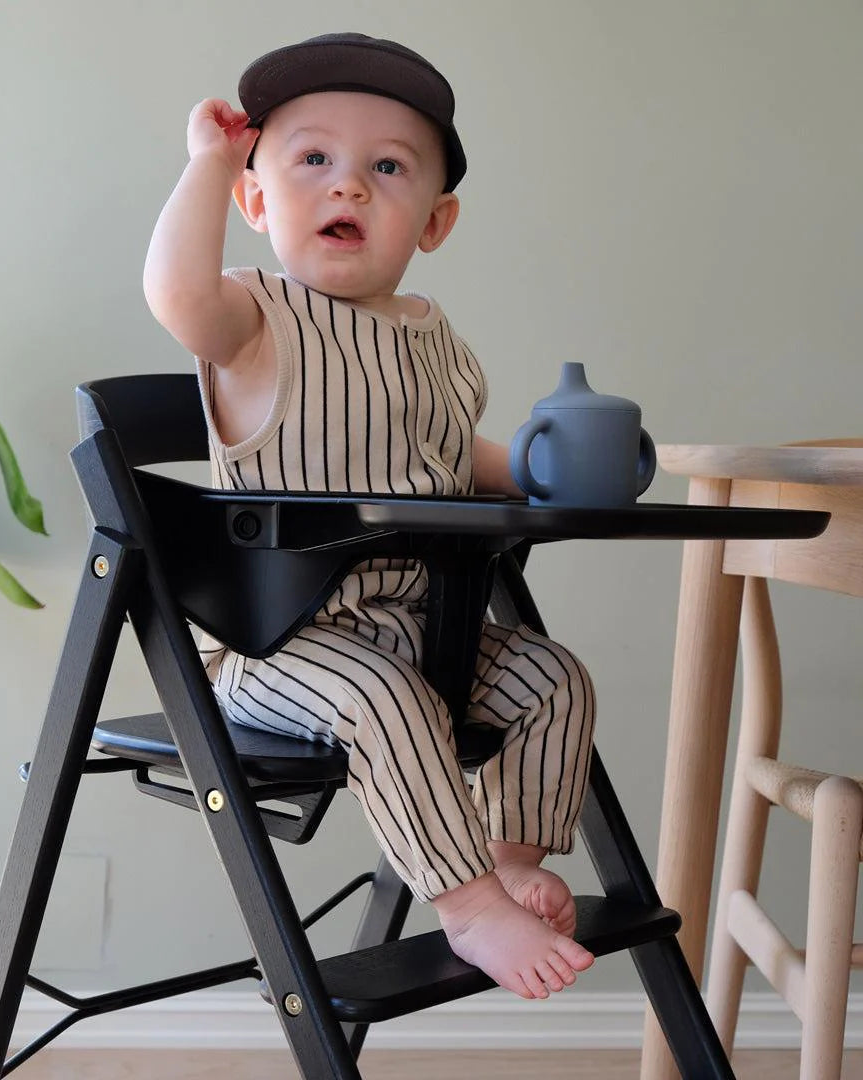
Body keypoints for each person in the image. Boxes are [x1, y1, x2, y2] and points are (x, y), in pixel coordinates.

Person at [143, 32, 596, 1000]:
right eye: (312, 158)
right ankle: (470, 906)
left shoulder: (435, 341)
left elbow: (456, 455)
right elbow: (176, 294)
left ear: (435, 221)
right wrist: (209, 162)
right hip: (281, 645)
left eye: (387, 168)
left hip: (424, 628)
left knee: (553, 679)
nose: (348, 184)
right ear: (256, 203)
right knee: (387, 701)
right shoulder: (254, 321)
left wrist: (544, 468)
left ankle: (508, 860)